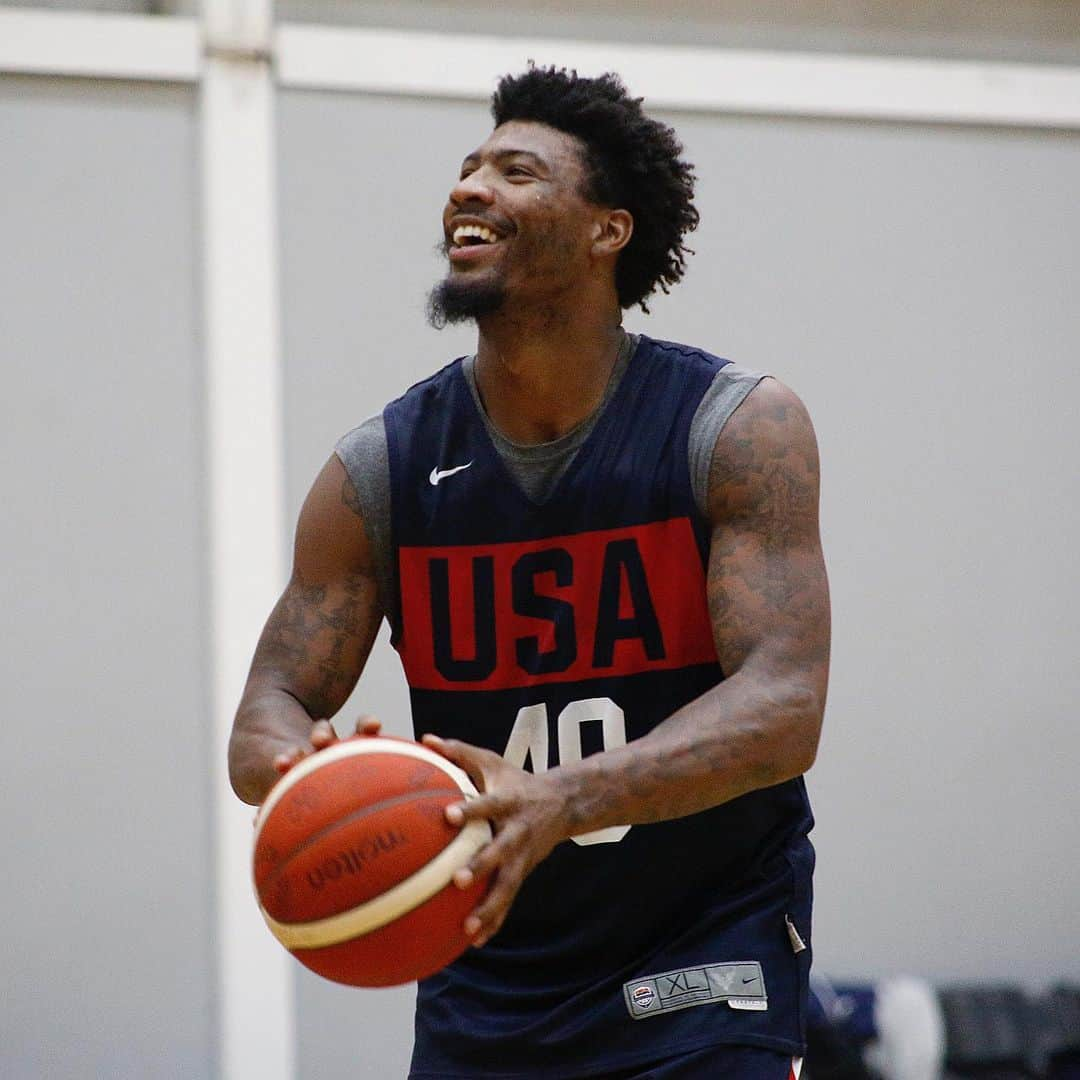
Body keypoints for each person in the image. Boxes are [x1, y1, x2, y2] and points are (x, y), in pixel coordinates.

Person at [229, 65, 830, 1080]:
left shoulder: (731, 427)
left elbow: (782, 708)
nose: (469, 188)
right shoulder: (380, 468)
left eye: (516, 171)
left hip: (699, 959)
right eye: (467, 169)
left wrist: (563, 798)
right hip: (486, 983)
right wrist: (318, 775)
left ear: (608, 230)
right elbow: (266, 711)